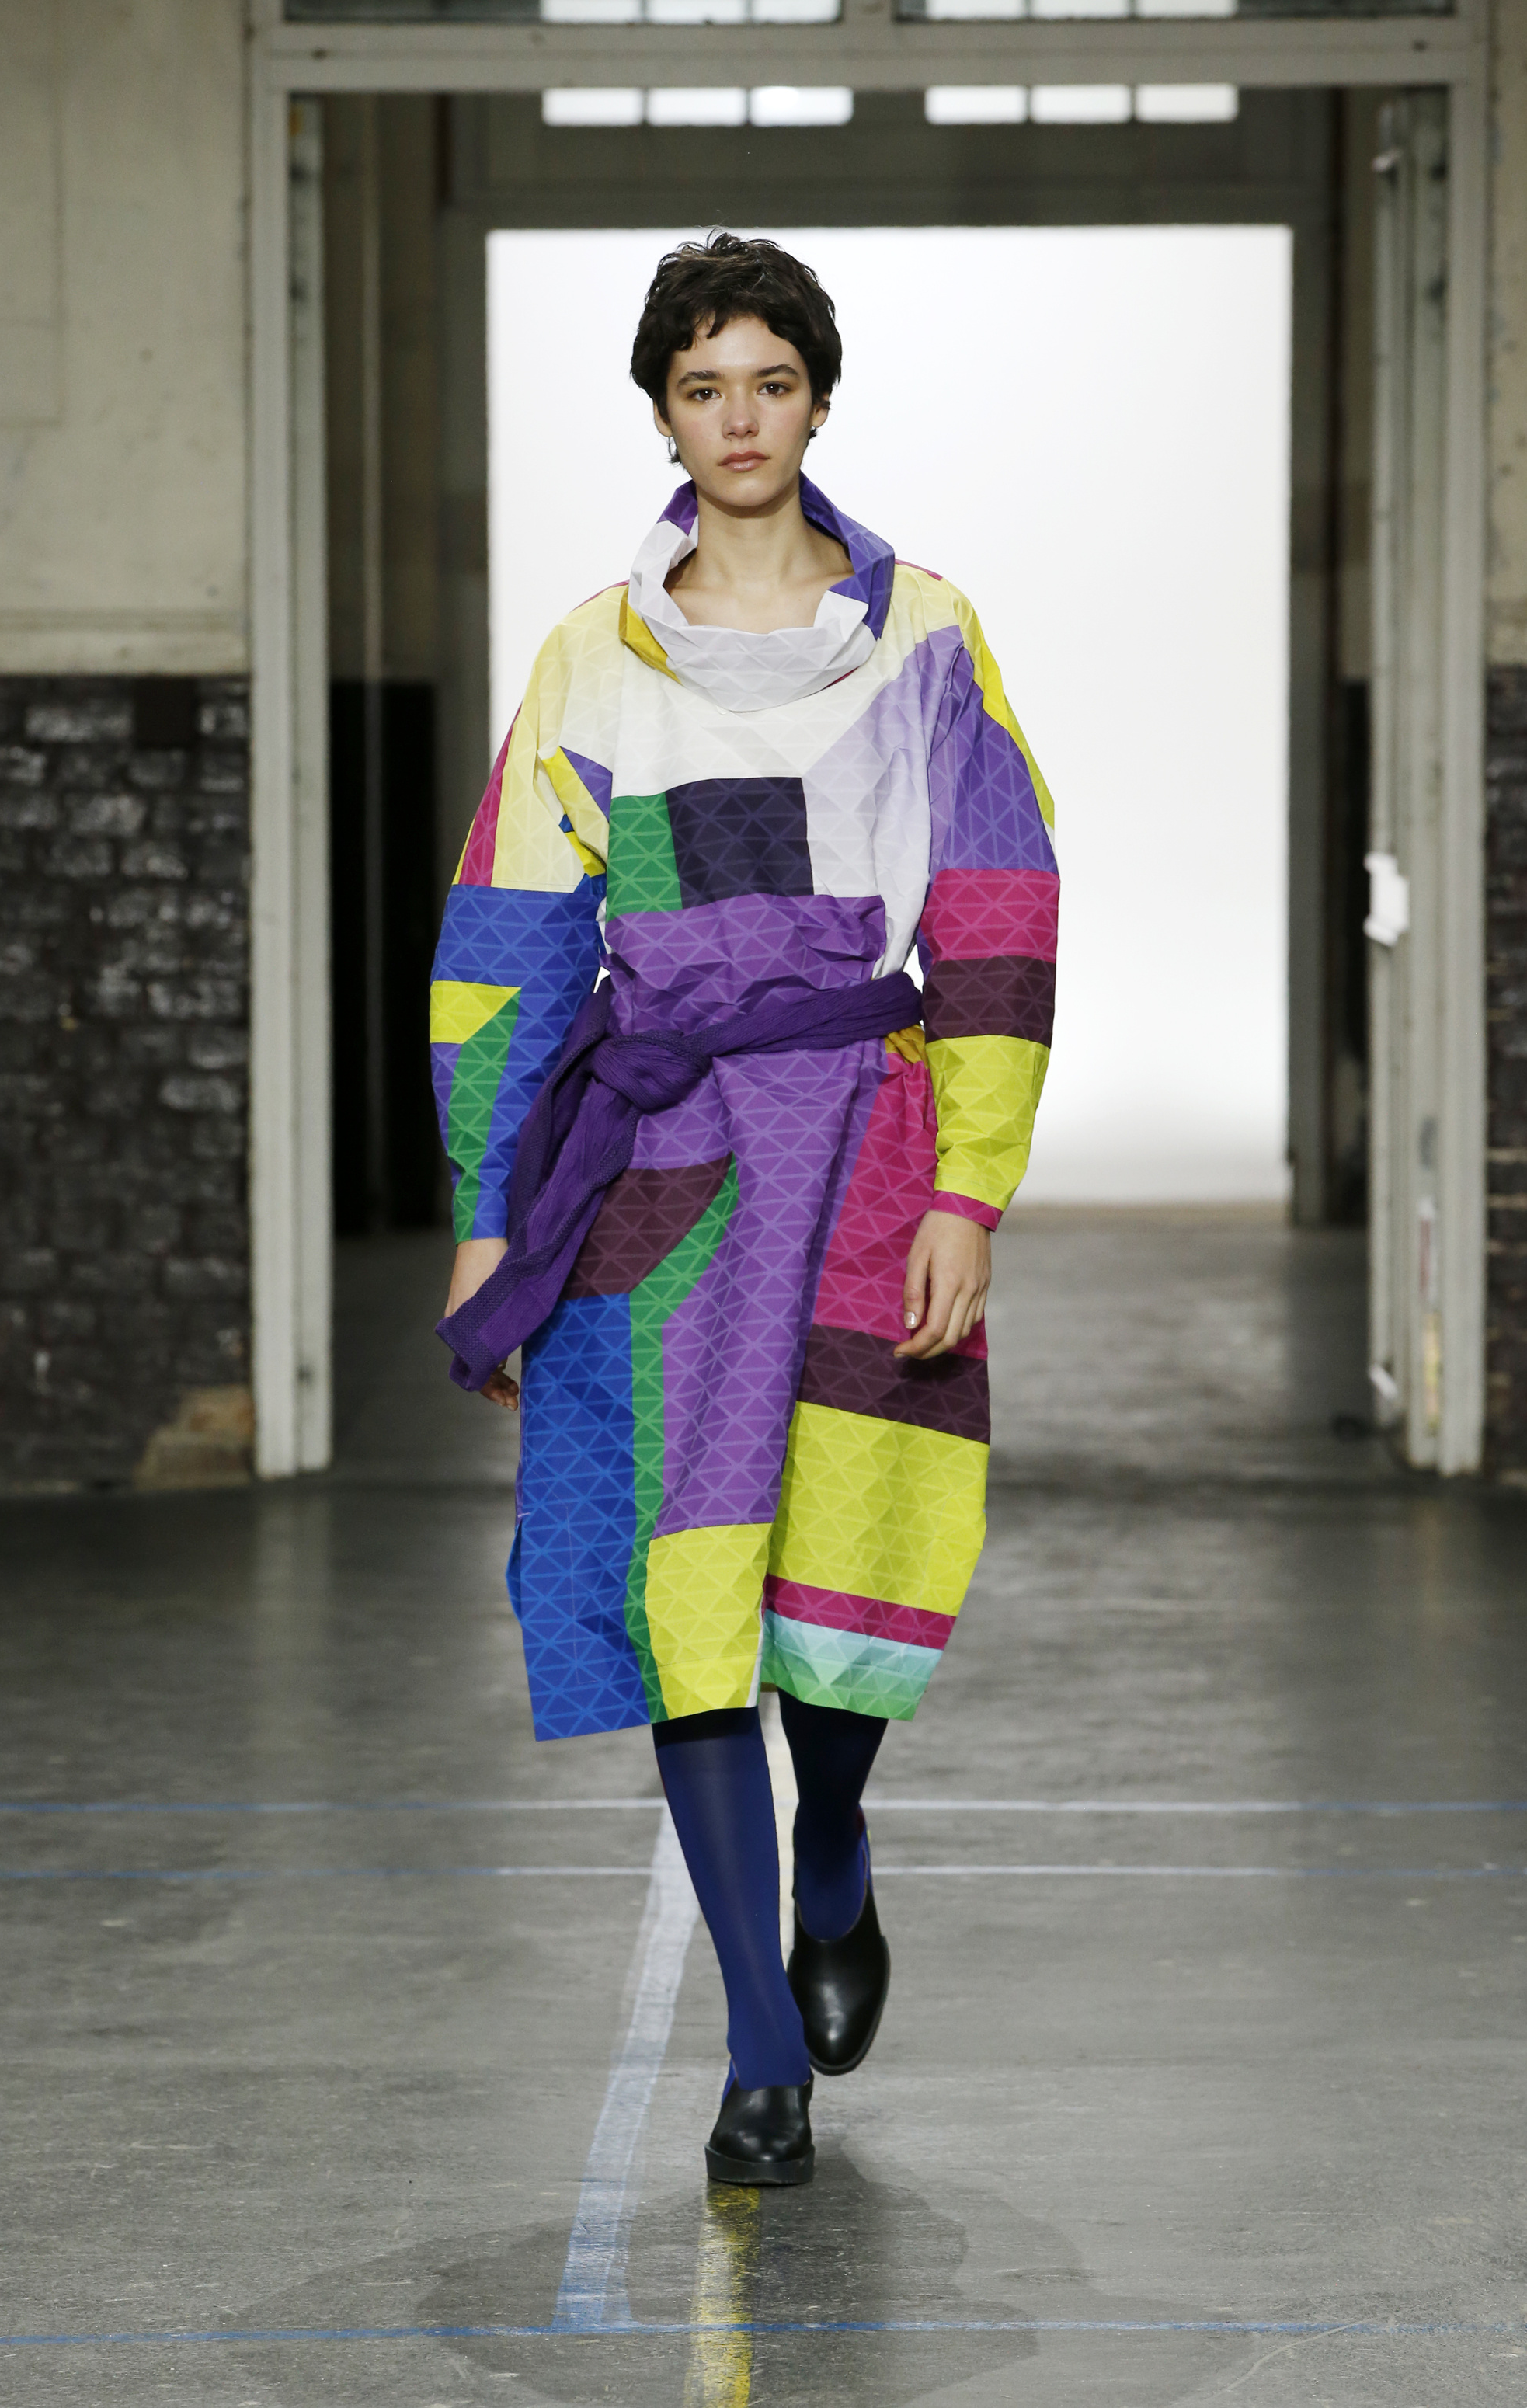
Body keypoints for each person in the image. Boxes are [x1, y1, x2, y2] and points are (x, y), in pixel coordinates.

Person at [430, 233, 1057, 2188]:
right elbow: (512, 936)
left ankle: (833, 1842)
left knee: (847, 1548)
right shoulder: (589, 655)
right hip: (661, 1169)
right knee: (682, 1572)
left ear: (815, 400)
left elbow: (996, 910)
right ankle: (758, 2043)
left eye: (768, 383)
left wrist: (971, 1182)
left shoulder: (922, 634)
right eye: (701, 387)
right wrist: (487, 1211)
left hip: (864, 1141)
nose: (737, 420)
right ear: (661, 414)